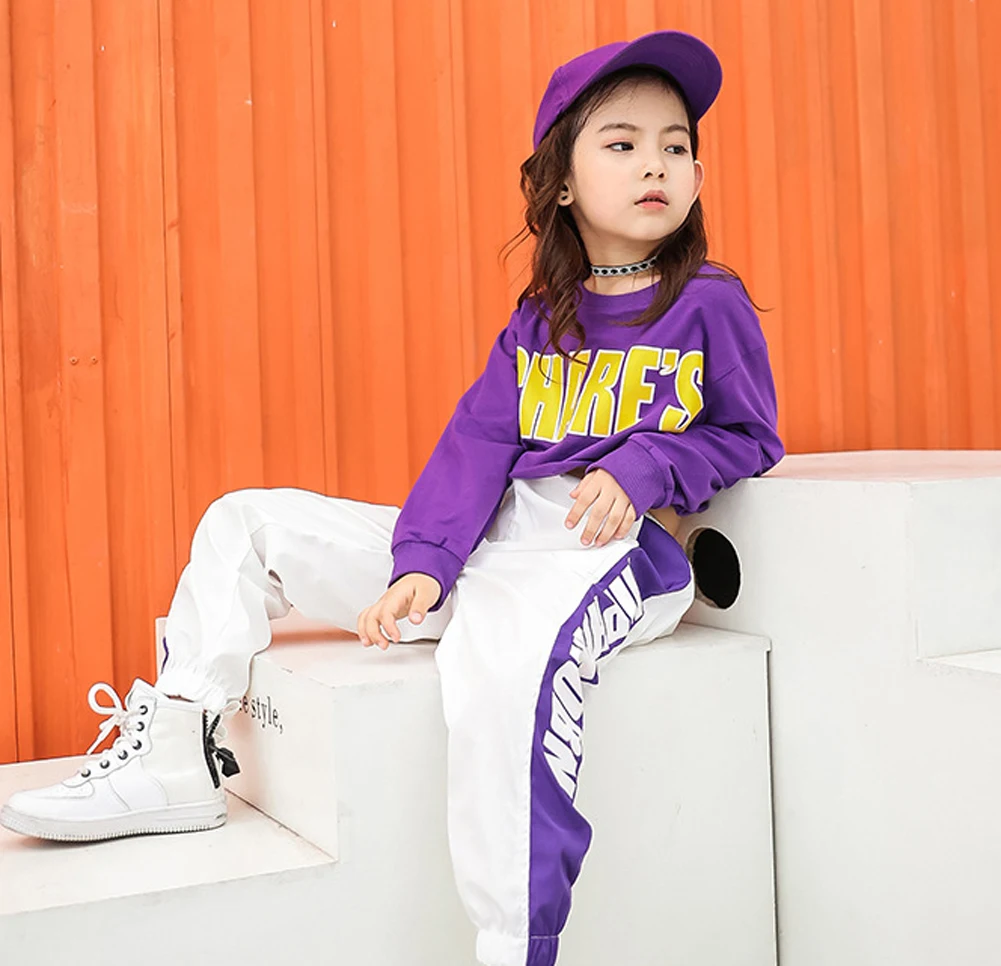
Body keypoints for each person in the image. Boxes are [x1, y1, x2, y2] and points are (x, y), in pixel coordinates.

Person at [1, 28, 785, 966]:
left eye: (675, 145)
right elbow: (477, 448)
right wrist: (424, 562)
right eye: (621, 143)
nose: (655, 162)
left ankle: (516, 943)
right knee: (245, 522)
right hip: (500, 539)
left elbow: (750, 435)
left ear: (695, 175)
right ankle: (177, 752)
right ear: (561, 183)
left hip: (607, 551)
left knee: (502, 684)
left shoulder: (708, 302)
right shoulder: (540, 317)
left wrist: (645, 464)